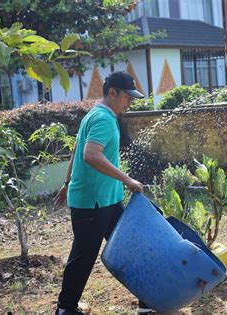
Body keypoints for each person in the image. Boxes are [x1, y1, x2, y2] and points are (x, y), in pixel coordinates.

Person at [54, 71, 153, 314]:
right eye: (127, 97)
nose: (130, 102)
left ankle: (147, 301)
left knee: (128, 248)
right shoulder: (103, 119)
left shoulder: (96, 115)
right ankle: (65, 308)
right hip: (92, 203)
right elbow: (90, 155)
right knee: (84, 256)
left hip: (108, 200)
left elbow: (78, 148)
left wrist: (67, 183)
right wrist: (128, 179)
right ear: (112, 92)